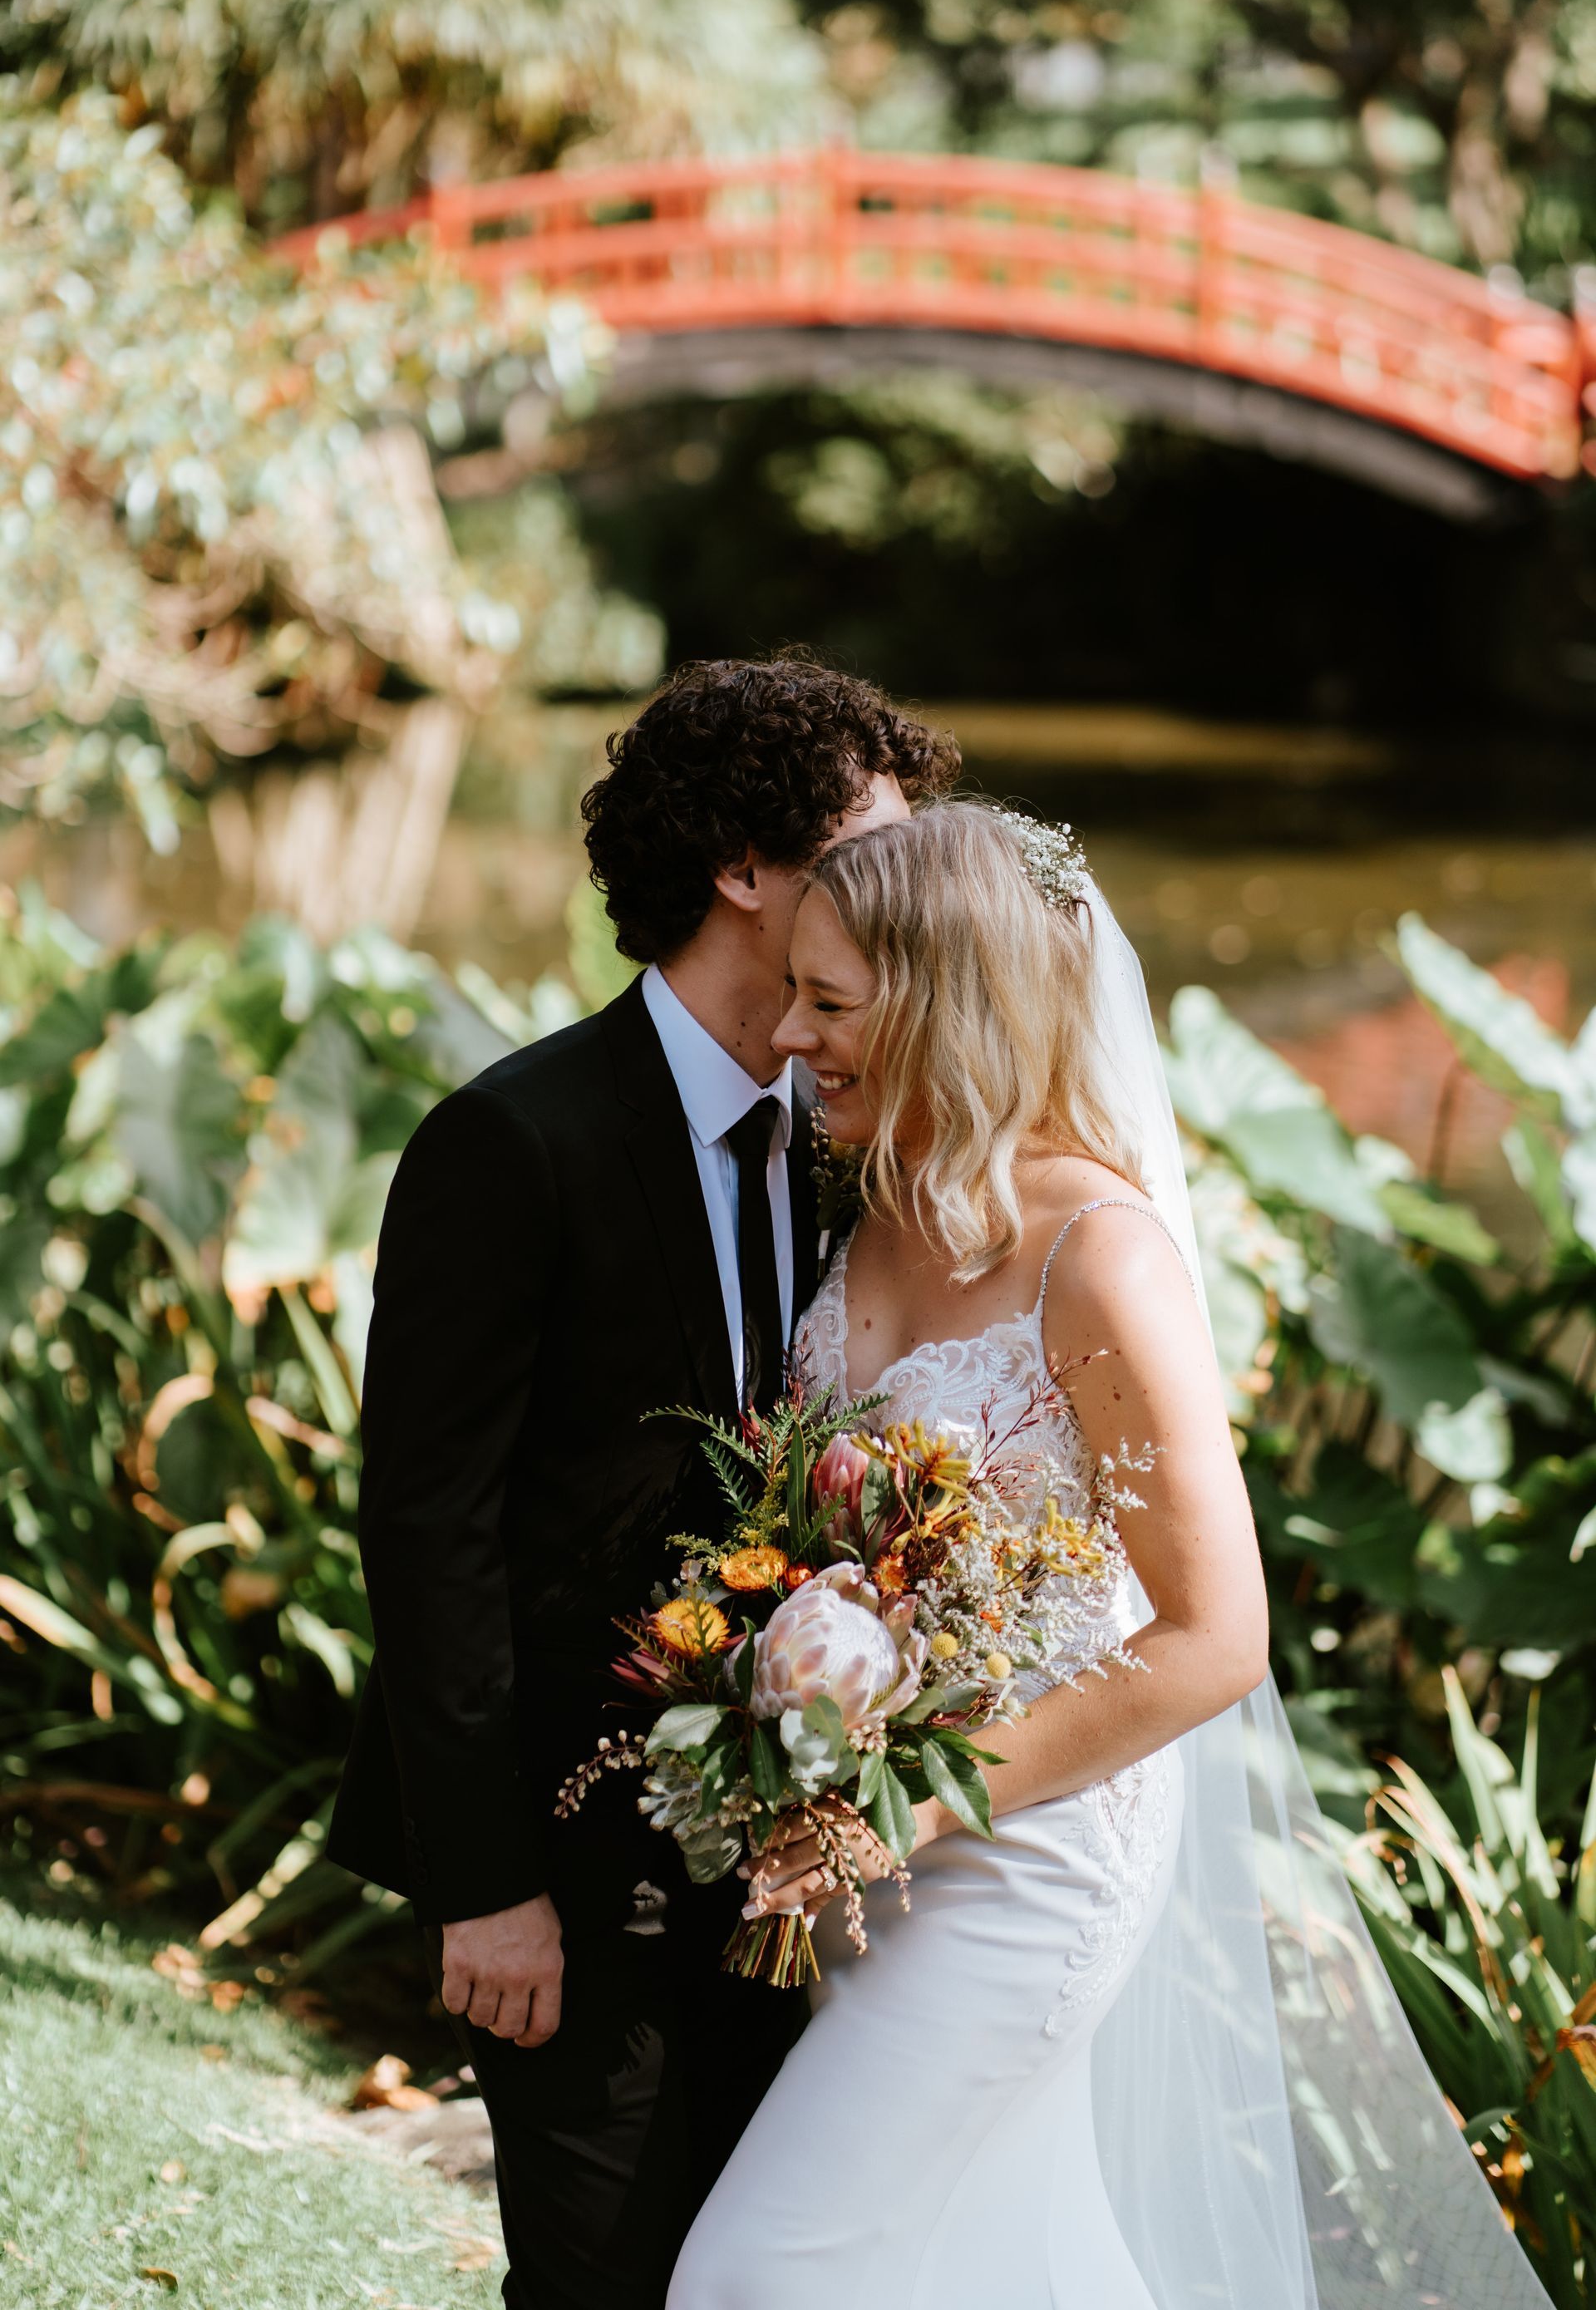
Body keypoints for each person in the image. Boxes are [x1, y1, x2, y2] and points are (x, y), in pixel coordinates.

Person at [667, 801, 1554, 2310]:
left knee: (761, 2273)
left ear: (951, 1008)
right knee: (996, 2261)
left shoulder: (1103, 1260)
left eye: (831, 1004)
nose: (790, 1035)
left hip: (1033, 1856)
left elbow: (1217, 1637)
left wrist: (910, 1815)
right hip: (876, 1846)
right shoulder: (874, 1200)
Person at [325, 657, 960, 2310]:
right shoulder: (512, 1142)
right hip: (558, 1860)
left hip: (789, 1858)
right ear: (744, 869)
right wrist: (489, 1889)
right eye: (870, 846)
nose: (910, 887)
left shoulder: (859, 1136)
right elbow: (429, 1526)